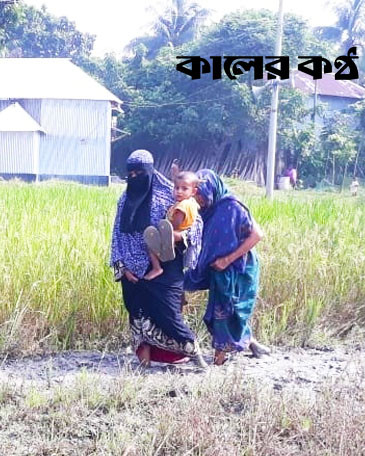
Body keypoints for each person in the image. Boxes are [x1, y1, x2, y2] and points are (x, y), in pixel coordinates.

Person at [110, 150, 206, 368]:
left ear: (151, 171)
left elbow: (196, 225)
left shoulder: (169, 196)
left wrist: (181, 236)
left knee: (168, 316)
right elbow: (116, 236)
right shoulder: (124, 200)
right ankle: (143, 365)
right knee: (137, 316)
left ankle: (194, 353)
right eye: (131, 174)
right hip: (131, 272)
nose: (135, 177)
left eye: (140, 172)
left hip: (166, 267)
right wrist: (122, 268)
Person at [184, 169, 269, 366]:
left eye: (201, 195)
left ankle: (219, 359)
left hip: (239, 269)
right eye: (196, 195)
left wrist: (227, 260)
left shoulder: (232, 207)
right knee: (225, 310)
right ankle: (250, 344)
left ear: (212, 190)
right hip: (219, 269)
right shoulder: (205, 210)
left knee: (228, 311)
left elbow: (257, 235)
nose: (199, 200)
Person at [142, 170, 201, 280]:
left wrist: (176, 234)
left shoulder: (179, 203)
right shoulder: (191, 202)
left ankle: (157, 267)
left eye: (184, 189)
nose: (179, 191)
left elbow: (178, 225)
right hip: (133, 276)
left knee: (149, 241)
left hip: (174, 243)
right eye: (176, 188)